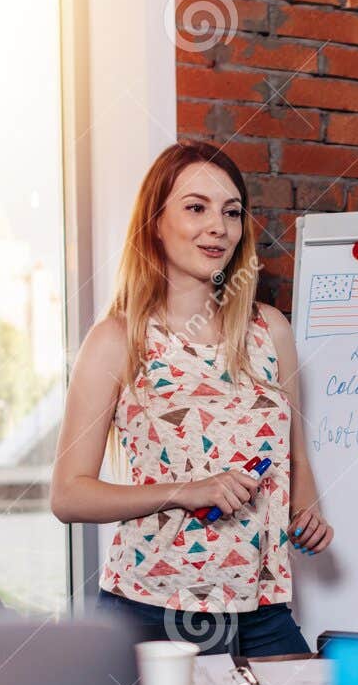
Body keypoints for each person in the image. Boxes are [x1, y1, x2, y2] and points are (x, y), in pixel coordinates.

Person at [51, 141, 332, 655]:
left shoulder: (272, 331)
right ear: (156, 223)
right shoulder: (118, 339)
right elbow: (68, 496)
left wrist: (305, 509)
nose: (218, 228)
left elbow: (295, 452)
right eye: (196, 208)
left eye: (231, 213)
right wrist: (187, 490)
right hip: (150, 612)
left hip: (262, 612)